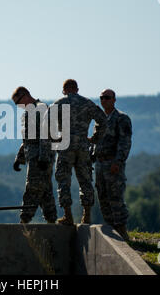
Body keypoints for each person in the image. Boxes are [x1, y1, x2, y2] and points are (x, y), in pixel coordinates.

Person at [51, 79, 107, 225]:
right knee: (85, 180)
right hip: (83, 146)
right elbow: (103, 120)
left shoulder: (58, 103)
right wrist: (95, 138)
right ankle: (86, 215)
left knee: (63, 180)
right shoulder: (87, 103)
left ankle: (67, 216)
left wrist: (55, 138)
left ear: (64, 90)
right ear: (77, 89)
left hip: (65, 147)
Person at [90, 89, 132, 240]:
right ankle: (111, 228)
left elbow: (125, 142)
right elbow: (96, 141)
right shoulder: (100, 120)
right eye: (102, 98)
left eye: (107, 97)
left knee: (115, 197)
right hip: (100, 164)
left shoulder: (121, 118)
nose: (104, 100)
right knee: (103, 197)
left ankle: (121, 230)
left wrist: (118, 162)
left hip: (112, 163)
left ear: (114, 100)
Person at [12, 86, 57, 224]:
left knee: (32, 187)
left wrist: (43, 158)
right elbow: (28, 139)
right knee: (45, 190)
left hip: (40, 158)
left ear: (25, 96)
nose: (18, 106)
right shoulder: (30, 111)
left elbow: (46, 134)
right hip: (35, 156)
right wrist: (19, 158)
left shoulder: (40, 109)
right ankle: (51, 221)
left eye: (18, 102)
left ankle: (24, 221)